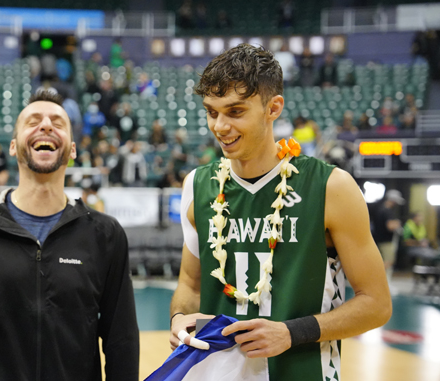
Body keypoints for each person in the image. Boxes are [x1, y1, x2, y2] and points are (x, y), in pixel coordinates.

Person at [168, 44, 391, 381]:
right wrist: (179, 318)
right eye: (212, 112)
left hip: (302, 372)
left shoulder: (331, 187)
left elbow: (376, 303)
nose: (220, 126)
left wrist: (290, 332)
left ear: (273, 108)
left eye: (235, 111)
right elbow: (190, 283)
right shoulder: (196, 185)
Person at [0, 91, 139, 380]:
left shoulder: (105, 235)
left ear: (71, 149)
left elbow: (122, 343)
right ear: (13, 146)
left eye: (58, 122)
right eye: (33, 121)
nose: (46, 126)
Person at [372, 189, 405, 278]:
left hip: (379, 239)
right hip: (386, 241)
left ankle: (380, 281)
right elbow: (390, 226)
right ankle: (379, 280)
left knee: (384, 261)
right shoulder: (387, 211)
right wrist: (397, 224)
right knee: (388, 262)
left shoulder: (380, 209)